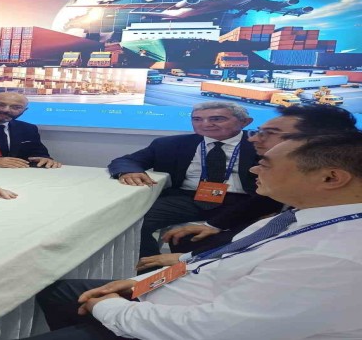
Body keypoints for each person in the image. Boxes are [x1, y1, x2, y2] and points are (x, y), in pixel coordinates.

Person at [31, 132, 362, 339]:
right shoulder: (296, 217)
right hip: (168, 296)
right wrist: (141, 283)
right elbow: (214, 264)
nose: (253, 169)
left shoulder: (330, 257)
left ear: (331, 178)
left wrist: (110, 309)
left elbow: (215, 330)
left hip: (180, 324)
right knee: (57, 291)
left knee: (80, 301)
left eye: (265, 164)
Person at [137, 104, 360, 271]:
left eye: (269, 133)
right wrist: (193, 254)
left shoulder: (331, 250)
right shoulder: (307, 206)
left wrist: (192, 260)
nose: (254, 140)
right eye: (197, 119)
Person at [108, 101, 263, 258]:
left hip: (244, 201)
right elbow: (126, 161)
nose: (206, 124)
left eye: (217, 119)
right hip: (188, 198)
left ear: (245, 122)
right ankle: (149, 267)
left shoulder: (263, 145)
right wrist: (129, 171)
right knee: (133, 220)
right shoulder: (170, 144)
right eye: (197, 119)